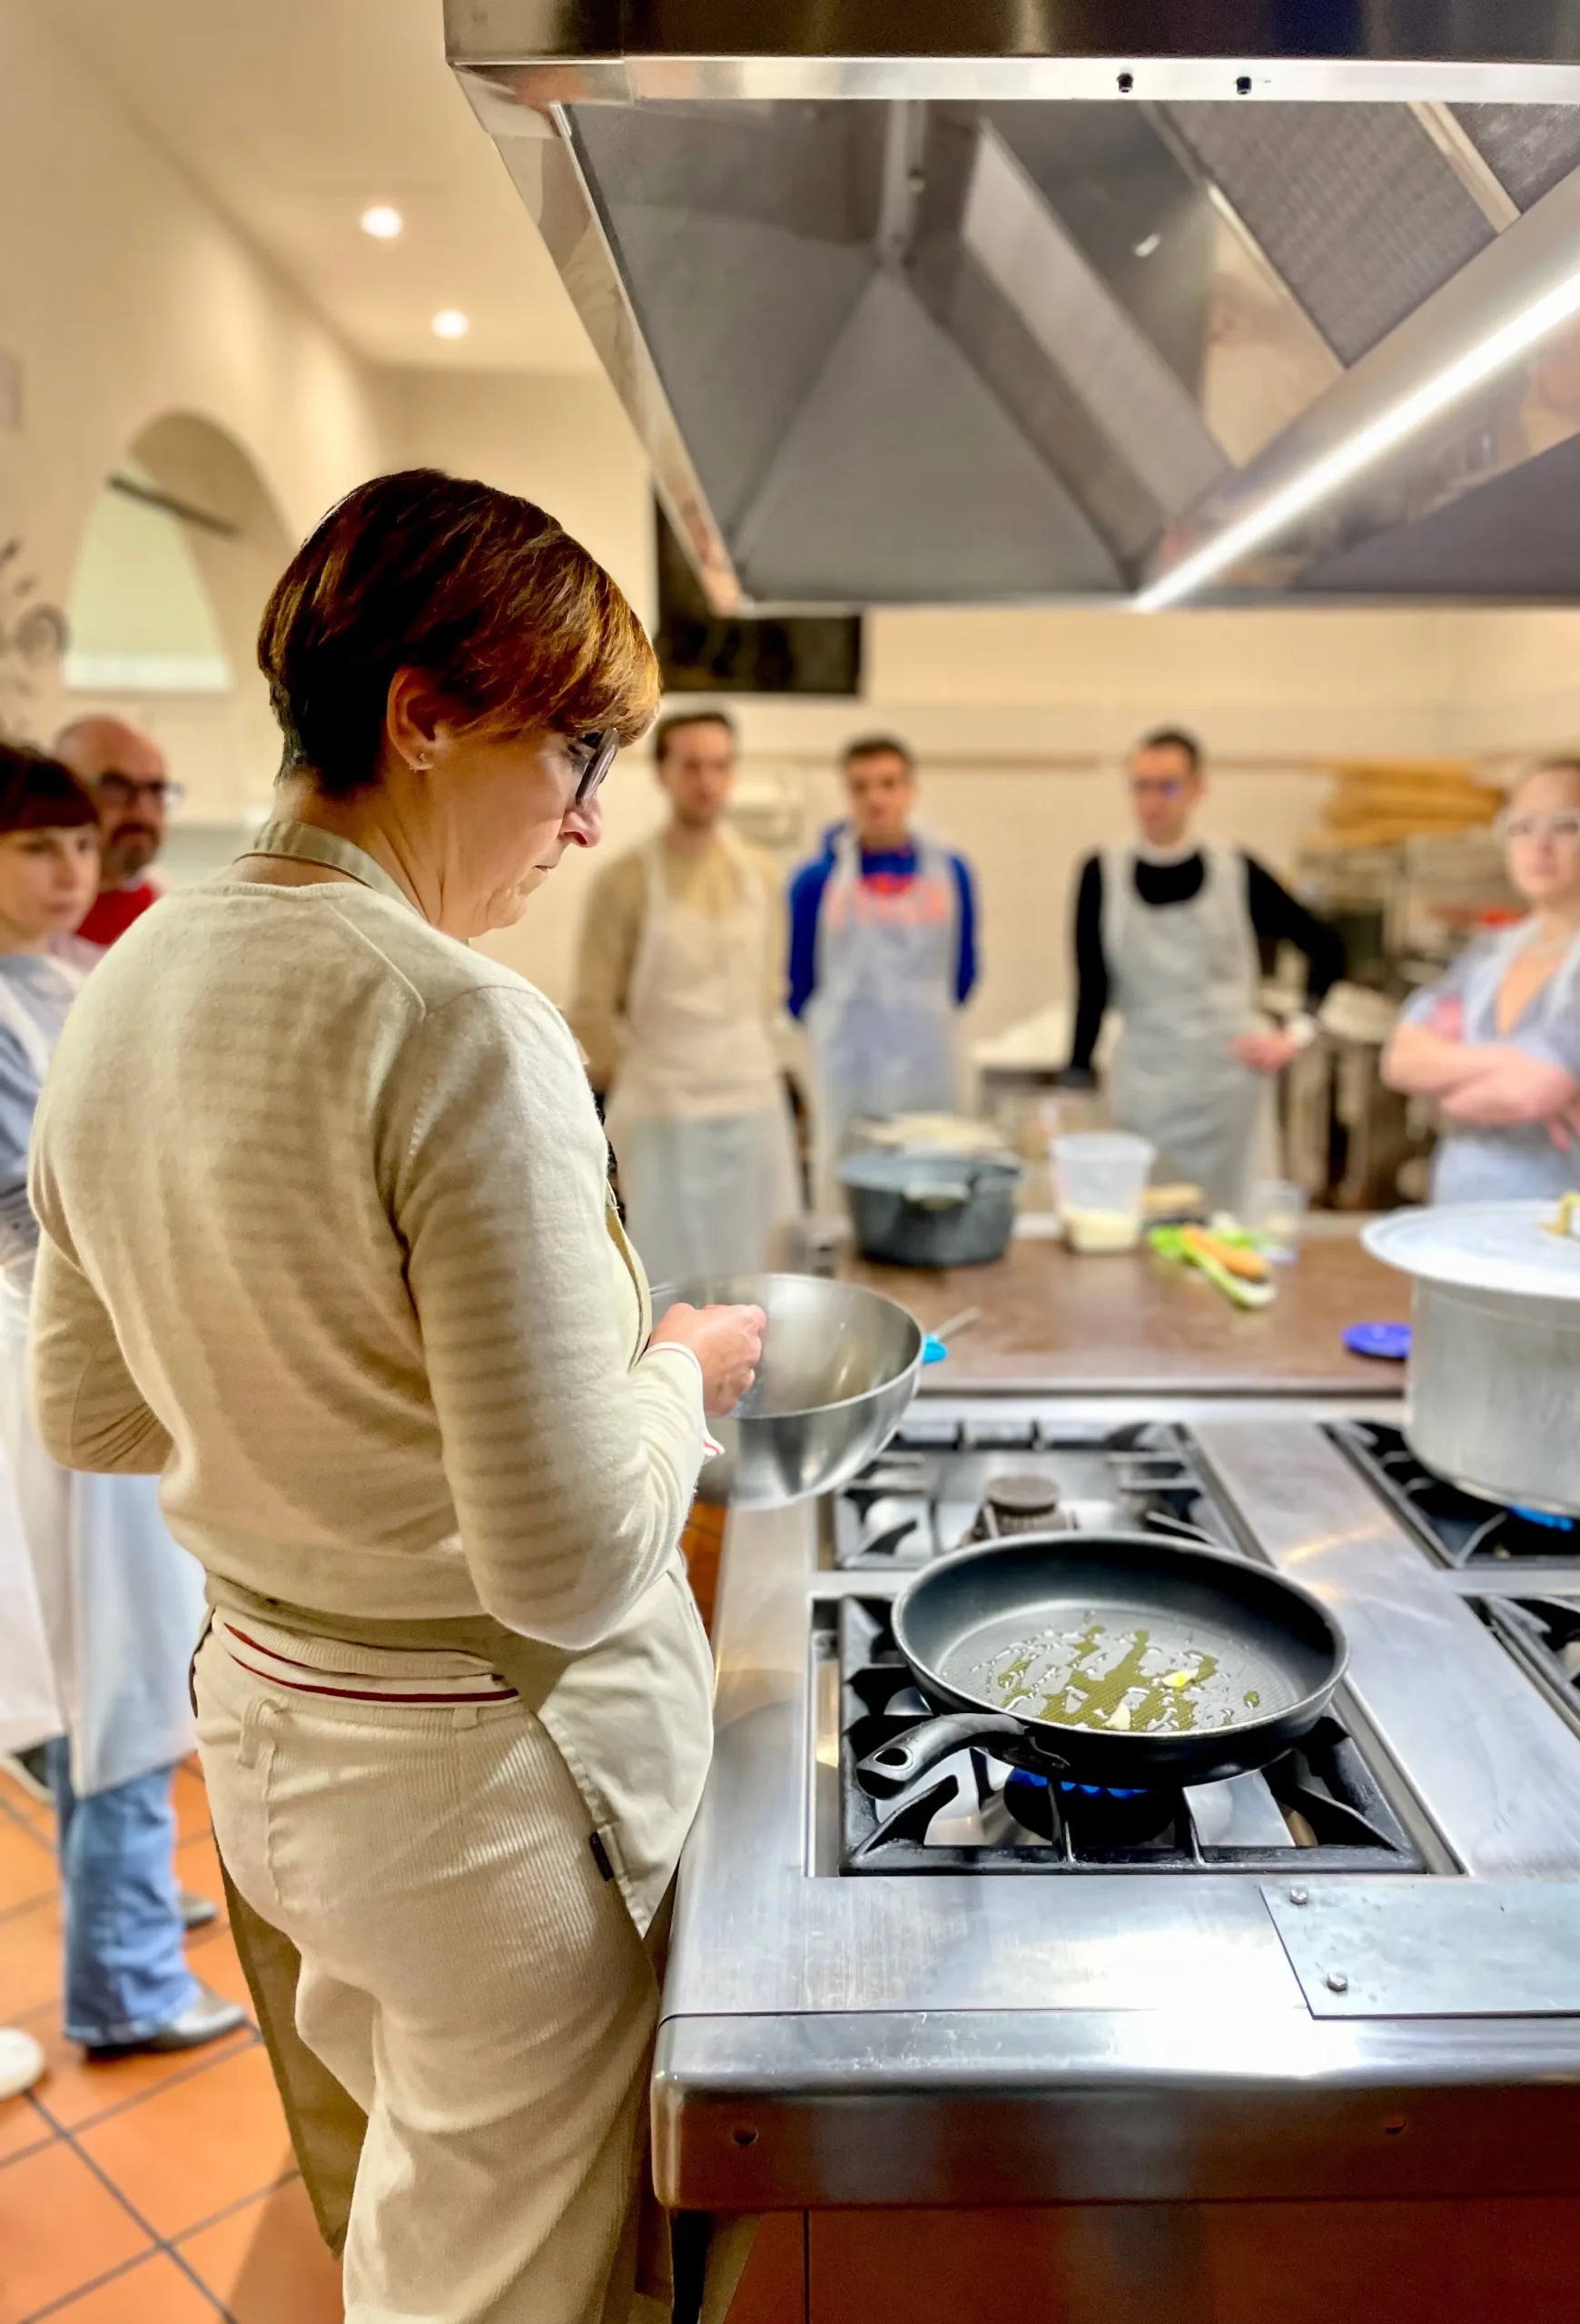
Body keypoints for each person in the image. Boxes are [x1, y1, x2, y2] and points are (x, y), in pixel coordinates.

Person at [28, 468, 764, 2324]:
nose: (588, 819)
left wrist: (317, 1411)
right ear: (425, 714)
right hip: (476, 1787)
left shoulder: (117, 979)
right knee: (510, 2271)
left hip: (276, 1743)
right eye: (576, 750)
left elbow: (98, 1414)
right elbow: (576, 1554)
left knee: (423, 2201)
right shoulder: (450, 1014)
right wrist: (678, 1364)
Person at [0, 745, 231, 2058]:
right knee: (119, 1672)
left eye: (78, 846)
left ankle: (132, 1913)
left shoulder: (72, 974)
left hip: (112, 1332)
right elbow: (43, 1219)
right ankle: (124, 1983)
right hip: (53, 1357)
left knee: (133, 1669)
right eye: (39, 847)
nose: (71, 871)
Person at [1066, 727, 1345, 1211]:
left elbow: (1327, 946)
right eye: (1141, 786)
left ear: (1198, 788)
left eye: (1168, 786)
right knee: (1146, 1219)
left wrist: (1297, 1033)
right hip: (1145, 1083)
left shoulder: (1238, 871)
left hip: (1228, 1088)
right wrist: (1075, 1081)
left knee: (1231, 1224)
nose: (1153, 802)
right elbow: (1090, 987)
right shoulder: (1101, 873)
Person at [570, 707, 800, 1286]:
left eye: (720, 766)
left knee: (759, 1281)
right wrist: (650, 1080)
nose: (707, 781)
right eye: (692, 766)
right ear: (662, 773)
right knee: (667, 1284)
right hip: (663, 1119)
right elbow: (593, 1011)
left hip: (752, 1110)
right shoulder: (623, 881)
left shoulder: (763, 876)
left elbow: (769, 991)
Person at [1383, 757, 1580, 1204]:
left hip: (1557, 1220)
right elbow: (1400, 1058)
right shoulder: (1489, 951)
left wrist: (1447, 1089)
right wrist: (1538, 1070)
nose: (1541, 845)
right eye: (1522, 826)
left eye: (1566, 826)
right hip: (1455, 1207)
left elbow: (1533, 1093)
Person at [788, 734, 978, 1198]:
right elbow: (798, 986)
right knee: (851, 1190)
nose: (876, 798)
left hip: (930, 1068)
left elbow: (964, 975)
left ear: (911, 789)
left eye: (889, 783)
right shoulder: (817, 882)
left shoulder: (951, 873)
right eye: (862, 786)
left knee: (934, 1186)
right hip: (849, 1073)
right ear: (846, 793)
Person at [53, 715, 178, 948]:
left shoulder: (177, 916)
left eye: (155, 789)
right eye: (115, 787)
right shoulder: (21, 927)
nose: (141, 811)